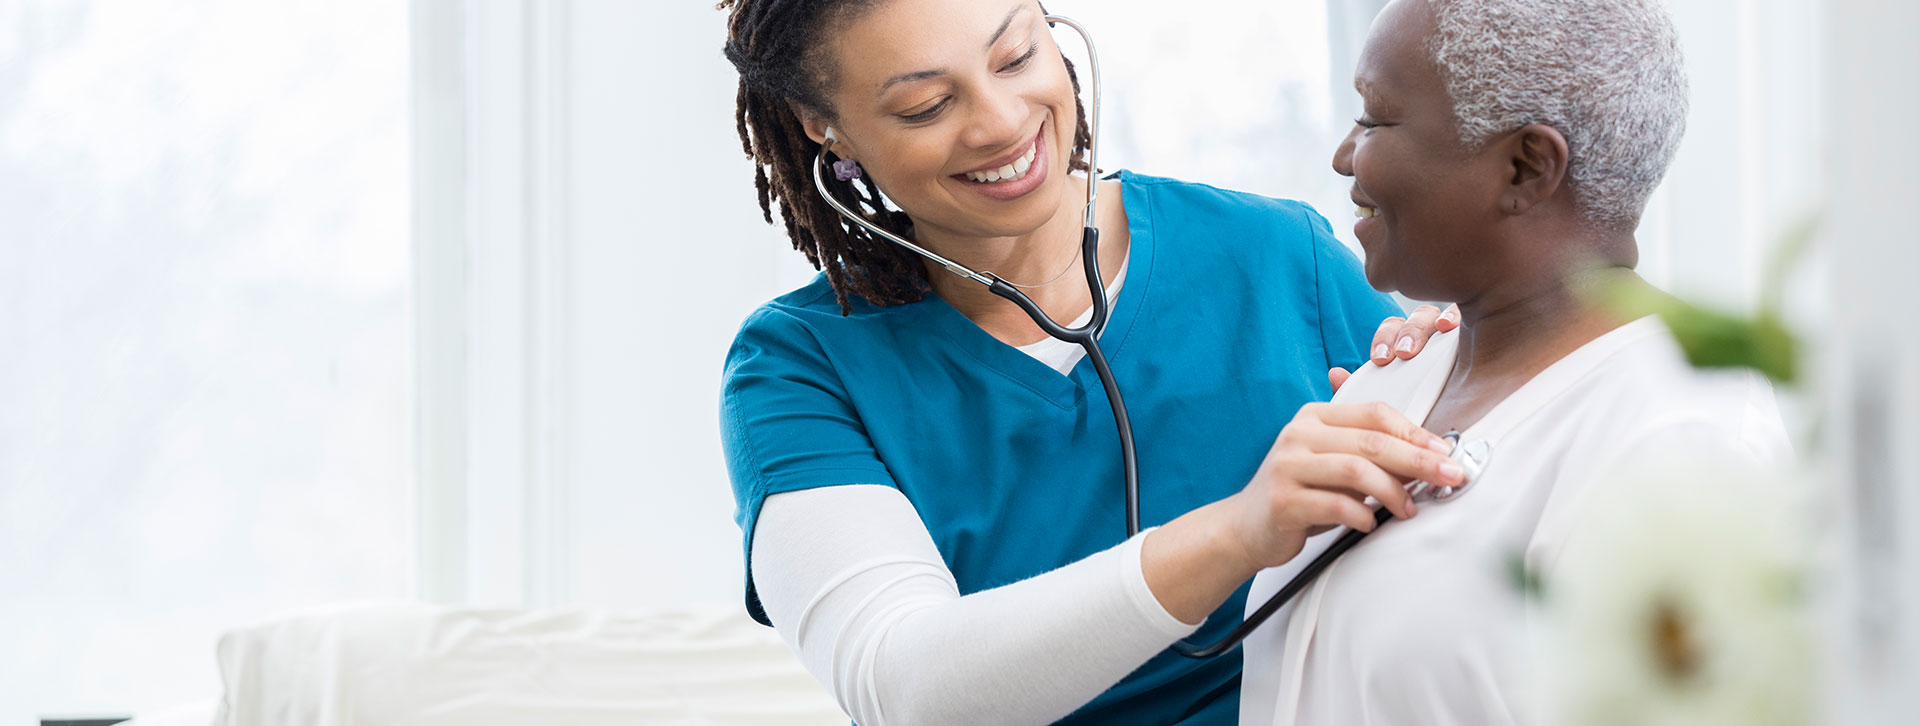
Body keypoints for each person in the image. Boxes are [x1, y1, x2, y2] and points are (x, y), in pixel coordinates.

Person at [717, 0, 1464, 723]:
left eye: (1015, 56)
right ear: (828, 129)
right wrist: (1242, 529)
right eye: (926, 106)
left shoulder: (1277, 256)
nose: (1002, 122)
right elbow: (905, 688)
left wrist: (1466, 365)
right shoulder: (798, 368)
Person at [1238, 1, 1793, 724]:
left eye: (1376, 119)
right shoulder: (1398, 373)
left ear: (1526, 167)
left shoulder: (1686, 438)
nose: (1345, 155)